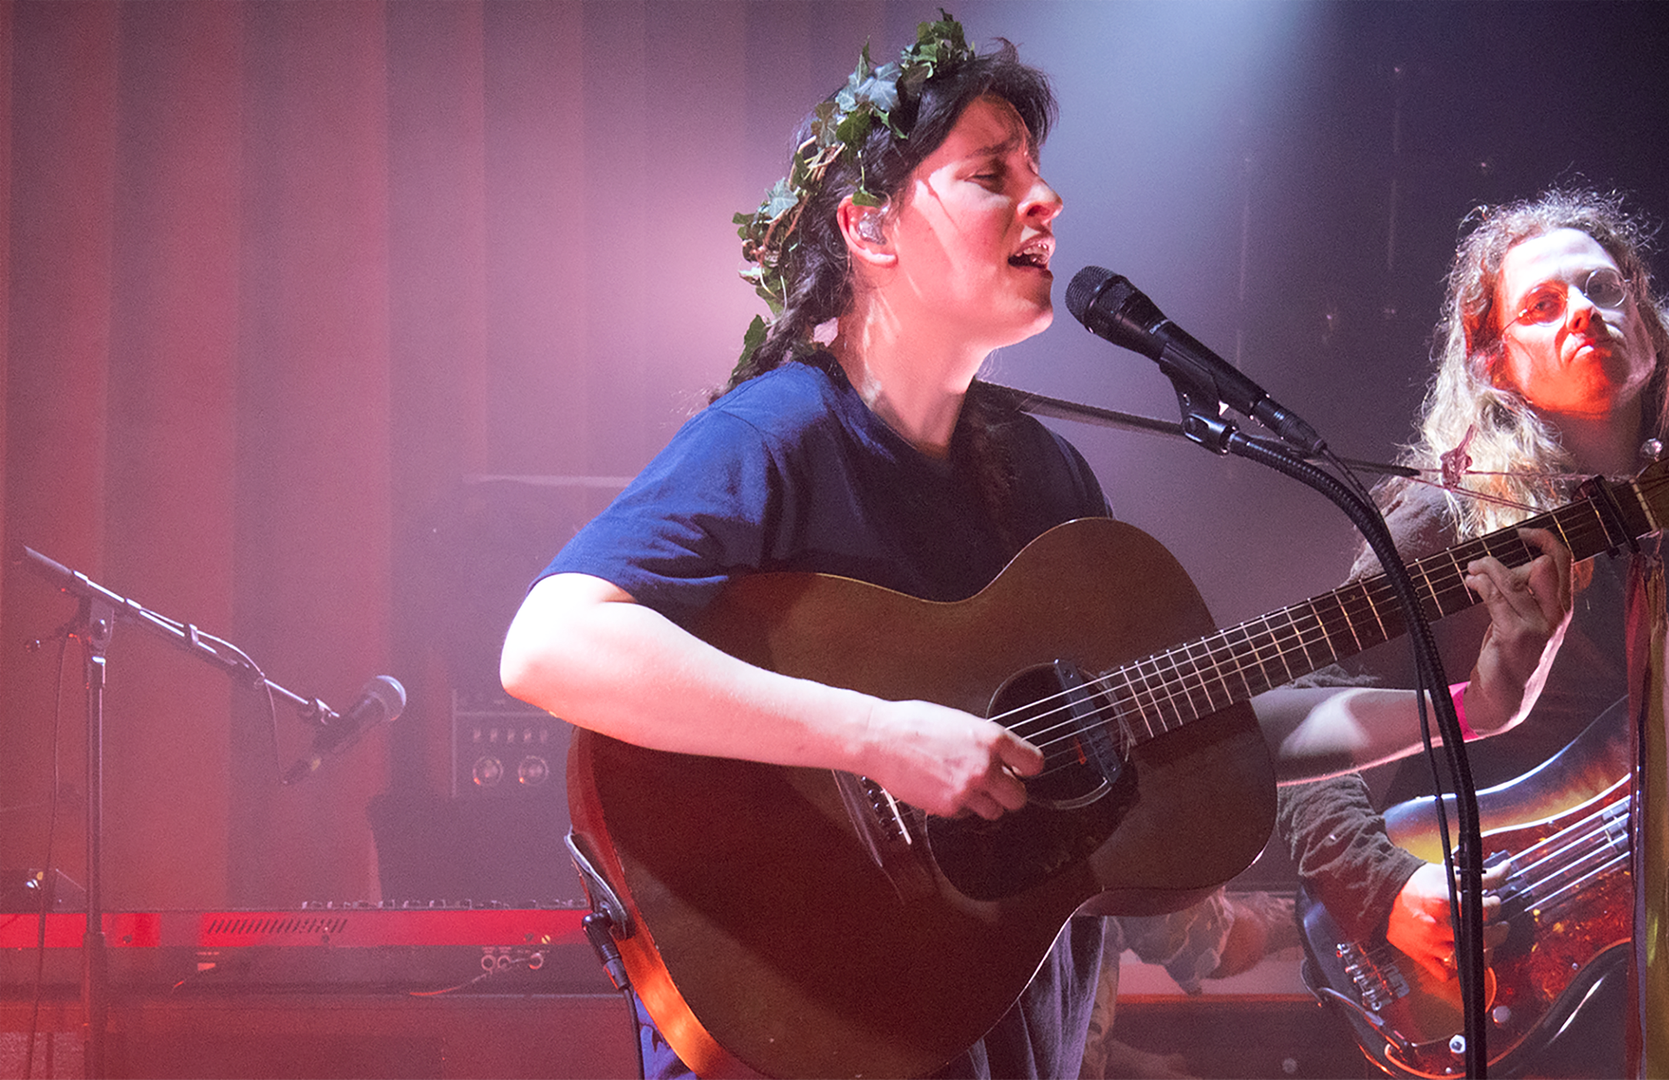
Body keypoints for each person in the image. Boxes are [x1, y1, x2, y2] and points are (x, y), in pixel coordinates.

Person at [498, 17, 1573, 1080]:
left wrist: (1471, 706)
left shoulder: (1045, 479)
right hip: (812, 1013)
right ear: (870, 231)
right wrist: (877, 738)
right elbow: (551, 645)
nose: (1046, 201)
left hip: (1003, 1029)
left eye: (1039, 174)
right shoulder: (776, 436)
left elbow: (1194, 724)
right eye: (990, 174)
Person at [1277, 187, 1669, 1080]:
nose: (1584, 310)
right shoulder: (1454, 524)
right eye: (1542, 305)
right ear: (1495, 362)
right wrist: (1388, 890)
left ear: (1649, 325)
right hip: (1523, 966)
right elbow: (1310, 706)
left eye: (1604, 288)